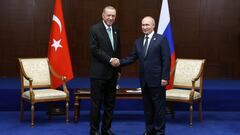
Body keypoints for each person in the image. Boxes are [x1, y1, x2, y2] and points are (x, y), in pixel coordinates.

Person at [112, 16, 170, 135]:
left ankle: (159, 131)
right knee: (148, 108)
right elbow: (132, 57)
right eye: (143, 25)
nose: (145, 27)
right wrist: (119, 62)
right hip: (144, 81)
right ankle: (149, 130)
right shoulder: (138, 41)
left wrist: (165, 77)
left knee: (159, 108)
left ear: (153, 26)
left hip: (158, 80)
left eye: (147, 25)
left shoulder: (161, 39)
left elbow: (166, 60)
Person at [88, 6, 121, 135]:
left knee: (110, 104)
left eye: (113, 16)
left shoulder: (116, 29)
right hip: (98, 74)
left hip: (112, 73)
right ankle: (94, 130)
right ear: (103, 15)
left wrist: (119, 69)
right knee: (96, 104)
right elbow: (94, 49)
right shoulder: (94, 29)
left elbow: (118, 50)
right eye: (108, 15)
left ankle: (106, 129)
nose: (111, 18)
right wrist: (110, 60)